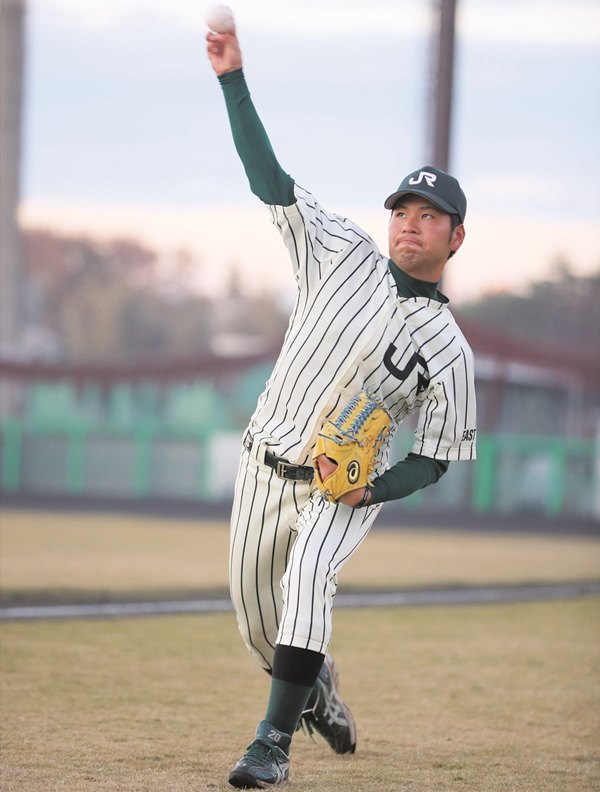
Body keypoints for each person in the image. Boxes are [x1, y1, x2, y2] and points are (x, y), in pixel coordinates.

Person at [206, 20, 477, 790]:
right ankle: (314, 685)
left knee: (308, 584)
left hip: (339, 484)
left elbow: (436, 455)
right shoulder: (340, 252)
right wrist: (233, 79)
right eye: (403, 210)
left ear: (457, 237)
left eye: (428, 216)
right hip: (264, 459)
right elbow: (269, 180)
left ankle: (270, 746)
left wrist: (373, 487)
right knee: (258, 623)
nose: (409, 224)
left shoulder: (448, 346)